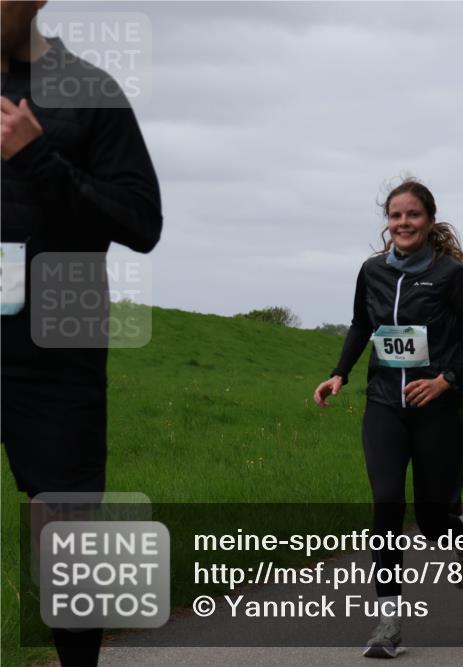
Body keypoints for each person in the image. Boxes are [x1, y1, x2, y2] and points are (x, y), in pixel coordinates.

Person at [1, 3, 162, 665]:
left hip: (55, 347)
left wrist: (40, 156)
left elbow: (140, 222)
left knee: (64, 534)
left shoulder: (91, 91)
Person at [313, 179, 463, 658]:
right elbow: (361, 325)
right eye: (396, 216)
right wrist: (338, 374)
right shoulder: (372, 272)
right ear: (387, 223)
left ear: (429, 221)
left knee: (432, 520)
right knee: (387, 503)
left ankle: (458, 530)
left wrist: (446, 380)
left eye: (412, 215)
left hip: (439, 408)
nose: (403, 223)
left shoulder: (449, 275)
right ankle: (388, 621)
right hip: (385, 405)